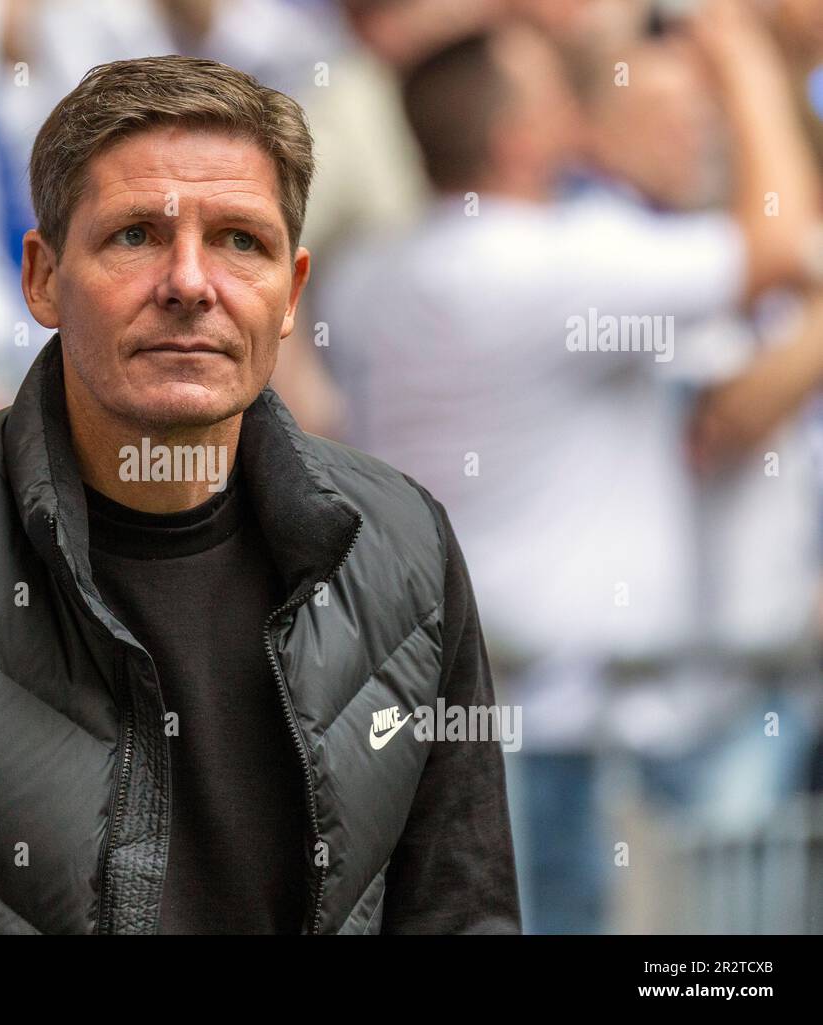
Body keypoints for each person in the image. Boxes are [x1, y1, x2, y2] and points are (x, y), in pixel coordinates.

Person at [0, 53, 521, 935]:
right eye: (135, 235)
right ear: (42, 277)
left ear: (293, 293)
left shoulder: (405, 550)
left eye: (242, 242)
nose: (191, 284)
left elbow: (463, 914)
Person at [316, 3, 822, 932]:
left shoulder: (368, 276)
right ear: (517, 135)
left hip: (455, 709)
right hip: (551, 727)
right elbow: (782, 244)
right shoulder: (555, 264)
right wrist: (747, 61)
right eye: (551, 93)